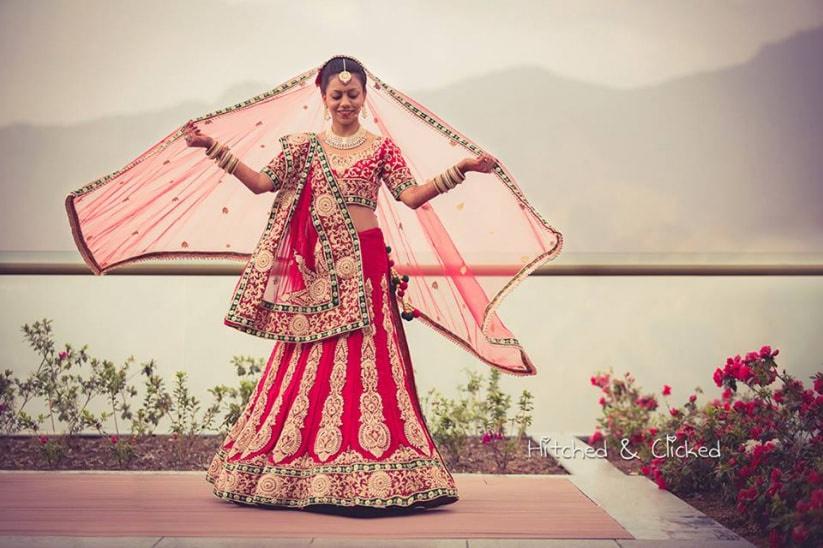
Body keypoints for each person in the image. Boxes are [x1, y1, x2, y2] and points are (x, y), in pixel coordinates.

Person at [186, 56, 497, 514]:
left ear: (365, 96)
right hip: (321, 271)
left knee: (372, 361)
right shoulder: (303, 148)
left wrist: (463, 169)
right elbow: (260, 183)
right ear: (324, 97)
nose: (346, 102)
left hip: (368, 264)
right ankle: (301, 471)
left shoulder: (379, 148)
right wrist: (213, 147)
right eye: (337, 95)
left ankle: (383, 466)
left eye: (353, 94)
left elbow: (410, 196)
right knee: (309, 360)